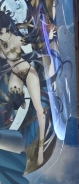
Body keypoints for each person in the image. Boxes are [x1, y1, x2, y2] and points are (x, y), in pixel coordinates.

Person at [0, 9, 47, 169]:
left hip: (27, 73)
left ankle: (40, 151)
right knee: (13, 103)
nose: (1, 35)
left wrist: (47, 34)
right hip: (15, 75)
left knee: (39, 111)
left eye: (3, 32)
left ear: (7, 29)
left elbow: (35, 39)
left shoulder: (16, 39)